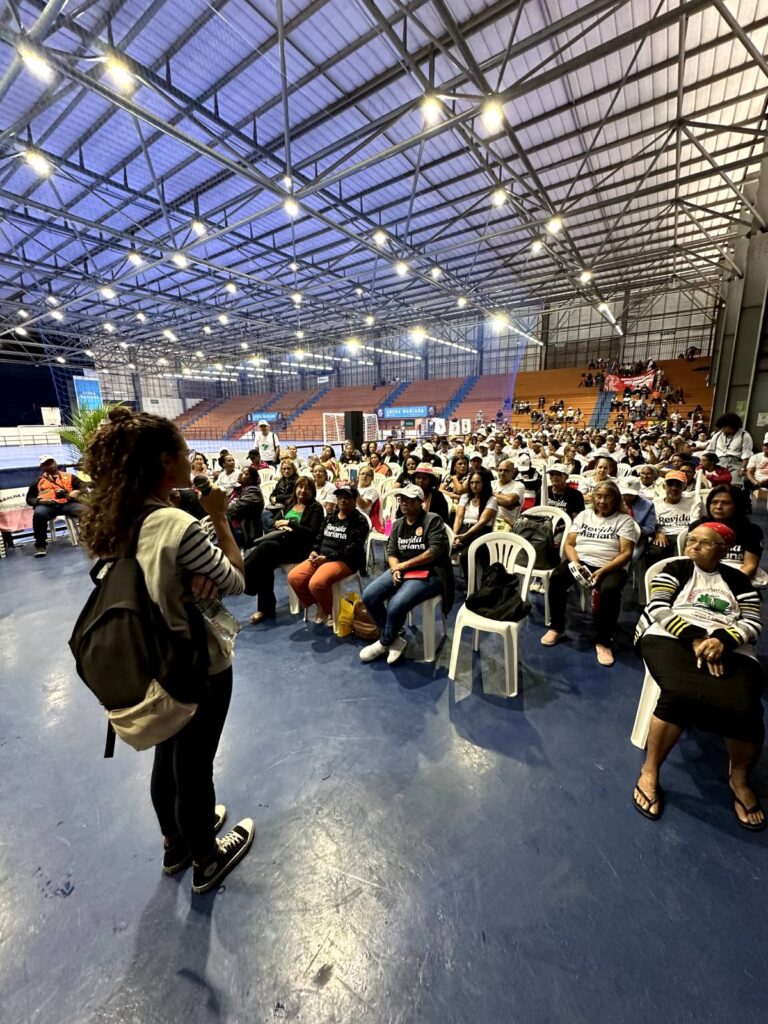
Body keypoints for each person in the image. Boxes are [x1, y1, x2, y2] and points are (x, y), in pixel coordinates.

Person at [79, 407, 254, 894]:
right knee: (195, 764)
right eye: (182, 450)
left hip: (148, 659)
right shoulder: (180, 525)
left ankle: (174, 843)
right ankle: (205, 858)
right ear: (163, 461)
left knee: (169, 755)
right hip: (195, 661)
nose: (188, 458)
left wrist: (193, 584)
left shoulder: (117, 520)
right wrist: (219, 517)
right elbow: (237, 580)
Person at [633, 524, 764, 829]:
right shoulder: (677, 569)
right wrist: (694, 637)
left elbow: (754, 621)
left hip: (729, 642)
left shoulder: (738, 580)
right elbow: (659, 608)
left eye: (704, 543)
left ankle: (739, 779)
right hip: (670, 636)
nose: (693, 546)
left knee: (745, 706)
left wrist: (722, 640)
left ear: (722, 549)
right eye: (691, 540)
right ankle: (650, 770)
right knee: (679, 693)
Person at [541, 480, 639, 666]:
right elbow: (569, 544)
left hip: (611, 565)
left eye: (608, 496)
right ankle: (557, 626)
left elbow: (626, 553)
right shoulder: (584, 516)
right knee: (557, 578)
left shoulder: (625, 520)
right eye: (599, 496)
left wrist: (602, 571)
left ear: (616, 499)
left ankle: (603, 641)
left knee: (610, 589)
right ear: (593, 498)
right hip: (582, 561)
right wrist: (576, 563)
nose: (602, 501)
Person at [360, 484, 454, 665]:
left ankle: (384, 641)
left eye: (410, 500)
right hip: (403, 569)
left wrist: (402, 566)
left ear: (421, 502)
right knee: (369, 595)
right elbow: (391, 551)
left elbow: (434, 551)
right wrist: (396, 568)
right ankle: (394, 636)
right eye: (402, 499)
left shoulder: (433, 520)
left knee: (396, 604)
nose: (404, 503)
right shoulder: (397, 524)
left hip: (431, 572)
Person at [245, 476, 324, 623]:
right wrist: (279, 525)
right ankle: (265, 609)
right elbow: (271, 521)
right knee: (264, 563)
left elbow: (312, 533)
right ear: (295, 489)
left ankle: (244, 580)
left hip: (301, 548)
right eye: (300, 487)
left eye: (307, 488)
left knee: (265, 548)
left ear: (313, 492)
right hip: (282, 544)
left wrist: (291, 523)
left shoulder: (316, 508)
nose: (303, 490)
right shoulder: (289, 504)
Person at [288, 487, 369, 625]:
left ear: (355, 501)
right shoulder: (331, 516)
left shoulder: (360, 521)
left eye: (347, 497)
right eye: (340, 497)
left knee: (316, 583)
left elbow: (352, 548)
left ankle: (329, 611)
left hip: (345, 560)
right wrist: (314, 551)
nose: (342, 500)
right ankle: (319, 604)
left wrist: (327, 558)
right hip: (322, 556)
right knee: (294, 577)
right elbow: (319, 537)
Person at [689, 484, 763, 581]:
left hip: (737, 578)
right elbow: (689, 561)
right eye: (714, 502)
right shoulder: (698, 526)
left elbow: (750, 566)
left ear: (737, 505)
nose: (718, 506)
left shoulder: (751, 531)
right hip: (702, 578)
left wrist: (728, 585)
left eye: (726, 503)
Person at [26, 455, 88, 557]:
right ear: (42, 467)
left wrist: (77, 491)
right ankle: (40, 545)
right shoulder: (38, 481)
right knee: (39, 513)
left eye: (52, 462)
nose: (51, 465)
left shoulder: (69, 476)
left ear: (56, 462)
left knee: (85, 510)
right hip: (48, 506)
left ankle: (85, 536)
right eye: (47, 464)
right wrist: (40, 502)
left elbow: (84, 487)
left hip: (67, 504)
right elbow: (29, 499)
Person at [646, 471, 702, 566]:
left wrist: (688, 537)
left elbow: (695, 523)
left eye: (678, 485)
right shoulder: (655, 504)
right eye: (670, 484)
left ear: (684, 487)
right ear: (664, 487)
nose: (674, 488)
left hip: (685, 534)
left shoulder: (693, 501)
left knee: (681, 558)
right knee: (654, 552)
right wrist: (657, 533)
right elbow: (650, 524)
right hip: (664, 535)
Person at [452, 471, 499, 579]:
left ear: (484, 483)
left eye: (477, 482)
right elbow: (458, 518)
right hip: (464, 529)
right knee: (443, 549)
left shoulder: (491, 499)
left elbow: (482, 522)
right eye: (472, 482)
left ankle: (472, 588)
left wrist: (464, 536)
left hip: (481, 531)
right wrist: (454, 535)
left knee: (465, 555)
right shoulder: (465, 497)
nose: (474, 485)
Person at [708, 412, 753, 485]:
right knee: (716, 485)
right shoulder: (718, 435)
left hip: (736, 463)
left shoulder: (745, 436)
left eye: (724, 427)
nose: (722, 430)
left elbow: (746, 454)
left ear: (732, 426)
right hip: (719, 462)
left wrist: (743, 468)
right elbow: (710, 450)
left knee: (733, 486)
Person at [226, 466, 264, 548]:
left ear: (252, 479)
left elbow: (232, 509)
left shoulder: (253, 492)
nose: (240, 474)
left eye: (245, 474)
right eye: (241, 472)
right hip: (236, 526)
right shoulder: (241, 490)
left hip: (246, 533)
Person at [618, 478, 656, 557]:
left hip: (638, 538)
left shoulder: (648, 505)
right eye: (624, 494)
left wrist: (637, 531)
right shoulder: (614, 501)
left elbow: (650, 528)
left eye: (630, 495)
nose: (626, 497)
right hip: (616, 536)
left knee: (632, 556)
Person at [263, 458, 299, 531]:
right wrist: (272, 499)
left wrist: (278, 498)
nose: (286, 471)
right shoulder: (281, 480)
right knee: (264, 513)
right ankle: (272, 528)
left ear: (293, 469)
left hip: (288, 507)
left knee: (270, 520)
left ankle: (272, 529)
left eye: (288, 468)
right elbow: (273, 493)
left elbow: (294, 495)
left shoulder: (297, 480)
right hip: (276, 506)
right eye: (284, 469)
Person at [493, 460, 526, 526]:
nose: (502, 473)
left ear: (513, 472)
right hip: (489, 521)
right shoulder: (492, 483)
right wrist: (501, 497)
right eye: (500, 470)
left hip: (506, 524)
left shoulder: (518, 485)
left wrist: (491, 495)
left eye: (506, 470)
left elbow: (509, 501)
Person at [355, 465, 383, 530]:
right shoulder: (355, 487)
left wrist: (355, 490)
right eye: (362, 474)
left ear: (372, 478)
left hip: (362, 520)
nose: (364, 476)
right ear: (358, 476)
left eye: (368, 475)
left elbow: (363, 505)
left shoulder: (372, 490)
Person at [744, 435, 768, 499]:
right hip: (757, 483)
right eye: (766, 445)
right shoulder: (755, 457)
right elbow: (749, 472)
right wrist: (755, 482)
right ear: (762, 446)